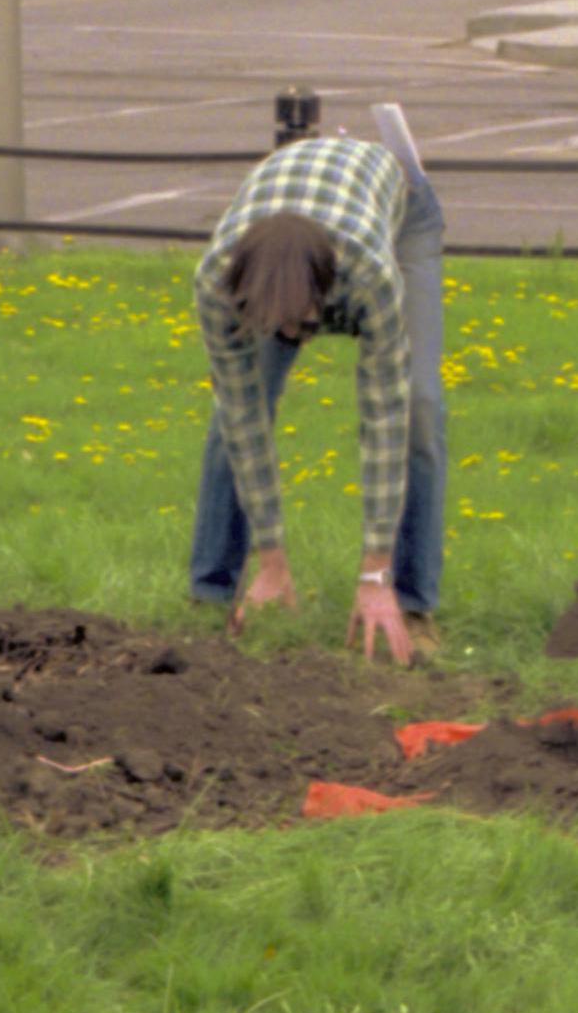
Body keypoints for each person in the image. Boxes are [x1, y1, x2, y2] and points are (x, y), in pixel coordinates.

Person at [192, 120, 448, 667]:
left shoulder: (369, 275)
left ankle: (411, 603)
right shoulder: (217, 280)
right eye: (275, 327)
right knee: (234, 413)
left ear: (325, 295)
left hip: (401, 210)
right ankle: (213, 592)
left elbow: (384, 418)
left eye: (300, 324)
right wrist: (273, 557)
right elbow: (244, 418)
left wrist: (373, 571)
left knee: (420, 408)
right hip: (295, 207)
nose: (291, 339)